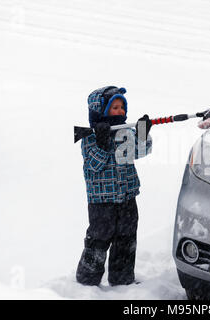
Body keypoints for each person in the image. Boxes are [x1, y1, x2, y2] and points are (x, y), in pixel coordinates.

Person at [76, 86, 152, 286]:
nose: (120, 111)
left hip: (127, 196)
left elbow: (139, 152)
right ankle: (87, 280)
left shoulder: (125, 132)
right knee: (98, 240)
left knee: (126, 240)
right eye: (115, 107)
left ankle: (122, 280)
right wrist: (102, 143)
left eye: (122, 107)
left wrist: (143, 134)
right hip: (102, 202)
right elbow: (94, 165)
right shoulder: (88, 137)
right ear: (100, 110)